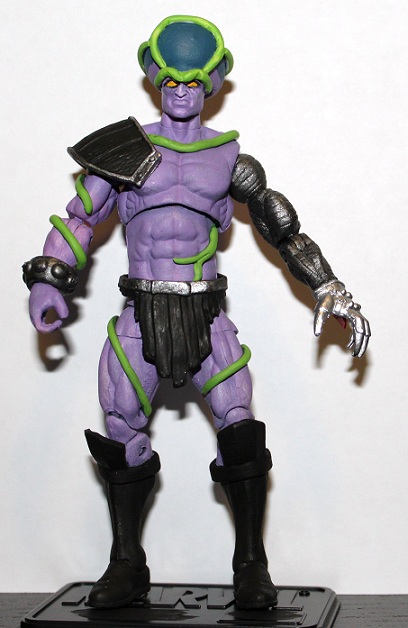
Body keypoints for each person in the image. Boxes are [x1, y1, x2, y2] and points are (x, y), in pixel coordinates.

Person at [23, 15, 370, 611]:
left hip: (206, 312)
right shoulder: (127, 149)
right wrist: (50, 277)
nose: (181, 91)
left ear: (210, 84)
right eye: (171, 80)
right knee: (120, 425)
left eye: (192, 81)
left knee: (239, 427)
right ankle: (126, 563)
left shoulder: (229, 159)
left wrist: (327, 286)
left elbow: (283, 229)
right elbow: (79, 218)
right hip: (141, 310)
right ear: (155, 80)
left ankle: (251, 565)